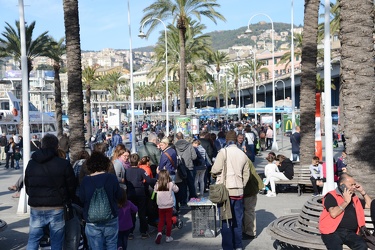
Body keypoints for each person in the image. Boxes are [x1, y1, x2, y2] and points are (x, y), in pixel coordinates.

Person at [24, 134, 76, 250]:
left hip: (36, 208)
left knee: (33, 239)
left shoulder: (32, 163)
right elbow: (71, 186)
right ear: (57, 147)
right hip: (56, 207)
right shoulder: (63, 164)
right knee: (56, 242)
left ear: (41, 146)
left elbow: (27, 185)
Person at [211, 130, 250, 250]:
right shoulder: (242, 154)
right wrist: (241, 185)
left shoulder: (223, 152)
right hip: (238, 191)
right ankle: (238, 245)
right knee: (238, 220)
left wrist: (214, 174)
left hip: (225, 192)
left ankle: (228, 247)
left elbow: (215, 169)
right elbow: (246, 174)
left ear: (227, 140)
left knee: (226, 220)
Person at [79, 151, 123, 250]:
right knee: (111, 245)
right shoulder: (111, 178)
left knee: (95, 247)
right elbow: (119, 195)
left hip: (92, 220)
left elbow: (81, 198)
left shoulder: (86, 180)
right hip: (111, 217)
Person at [319, 173, 372, 250]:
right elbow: (333, 213)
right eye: (351, 185)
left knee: (362, 246)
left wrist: (363, 192)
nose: (354, 187)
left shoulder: (354, 198)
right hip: (332, 231)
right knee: (335, 247)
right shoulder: (332, 196)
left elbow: (370, 205)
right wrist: (346, 202)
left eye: (354, 184)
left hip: (350, 233)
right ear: (342, 185)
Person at [125, 153, 155, 240]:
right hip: (141, 193)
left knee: (131, 213)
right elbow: (149, 180)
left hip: (130, 194)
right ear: (138, 162)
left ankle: (130, 232)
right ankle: (143, 232)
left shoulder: (127, 171)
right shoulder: (141, 171)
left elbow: (126, 182)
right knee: (142, 213)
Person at [154, 170, 179, 244]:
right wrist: (173, 183)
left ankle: (159, 233)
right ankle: (168, 236)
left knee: (161, 220)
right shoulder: (171, 184)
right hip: (169, 205)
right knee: (168, 221)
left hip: (160, 206)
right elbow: (177, 190)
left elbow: (155, 191)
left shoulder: (158, 184)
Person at [242, 159, 263, 240]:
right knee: (248, 211)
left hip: (249, 189)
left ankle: (250, 233)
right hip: (250, 189)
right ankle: (248, 231)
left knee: (249, 211)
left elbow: (247, 176)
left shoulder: (243, 160)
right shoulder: (243, 158)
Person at [174, 132, 197, 199]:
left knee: (182, 185)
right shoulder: (189, 145)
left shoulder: (175, 146)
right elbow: (194, 157)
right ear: (183, 137)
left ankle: (183, 200)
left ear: (176, 138)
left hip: (180, 168)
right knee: (191, 184)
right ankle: (192, 198)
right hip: (189, 167)